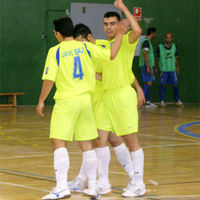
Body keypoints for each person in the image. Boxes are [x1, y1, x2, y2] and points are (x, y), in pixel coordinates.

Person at [36, 16, 124, 200]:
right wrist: (121, 35)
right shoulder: (85, 46)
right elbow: (111, 54)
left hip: (67, 101)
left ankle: (61, 188)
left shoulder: (55, 51)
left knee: (58, 143)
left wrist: (41, 101)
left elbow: (49, 80)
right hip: (86, 101)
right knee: (86, 144)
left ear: (57, 33)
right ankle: (92, 187)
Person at [68, 0, 146, 198]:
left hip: (122, 96)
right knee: (100, 139)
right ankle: (103, 183)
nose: (109, 27)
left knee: (131, 141)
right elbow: (99, 63)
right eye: (106, 24)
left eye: (112, 23)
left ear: (119, 24)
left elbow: (137, 29)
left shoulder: (127, 40)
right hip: (106, 98)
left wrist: (124, 9)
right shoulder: (103, 45)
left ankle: (138, 183)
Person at [155, 33, 183, 107]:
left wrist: (177, 65)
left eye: (170, 38)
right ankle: (162, 101)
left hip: (172, 69)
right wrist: (155, 67)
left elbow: (176, 56)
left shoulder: (174, 46)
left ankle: (177, 100)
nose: (168, 39)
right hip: (163, 69)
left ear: (172, 39)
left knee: (175, 84)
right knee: (162, 84)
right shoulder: (160, 47)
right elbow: (156, 58)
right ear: (165, 39)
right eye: (167, 38)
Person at [139, 27, 157, 108]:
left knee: (147, 83)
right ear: (152, 33)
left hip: (147, 65)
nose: (155, 35)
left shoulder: (147, 42)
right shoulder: (146, 42)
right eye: (155, 33)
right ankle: (138, 100)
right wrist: (148, 67)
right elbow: (145, 54)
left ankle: (147, 102)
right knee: (149, 83)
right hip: (146, 65)